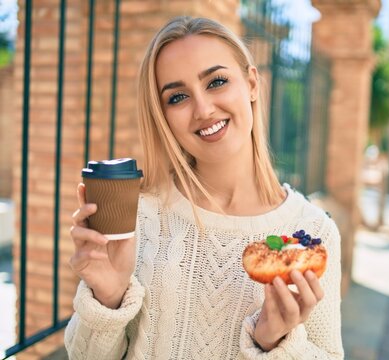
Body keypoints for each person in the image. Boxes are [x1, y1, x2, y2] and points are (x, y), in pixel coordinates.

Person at [65, 16, 343, 359]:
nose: (204, 109)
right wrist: (108, 298)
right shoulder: (140, 217)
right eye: (178, 96)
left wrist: (273, 342)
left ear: (252, 83)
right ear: (162, 115)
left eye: (217, 81)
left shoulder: (314, 231)